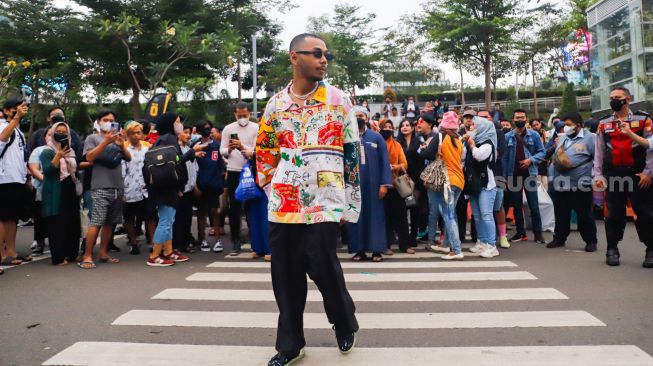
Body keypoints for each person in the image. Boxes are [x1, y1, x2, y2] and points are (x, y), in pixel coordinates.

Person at [256, 33, 360, 366]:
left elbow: (352, 155)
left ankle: (343, 322)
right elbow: (265, 152)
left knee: (323, 267)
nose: (323, 59)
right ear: (294, 57)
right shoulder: (275, 105)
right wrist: (272, 187)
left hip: (325, 201)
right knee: (284, 276)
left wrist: (349, 203)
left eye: (325, 53)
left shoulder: (338, 100)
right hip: (284, 205)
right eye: (315, 53)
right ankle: (290, 345)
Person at [593, 87, 653, 268]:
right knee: (613, 214)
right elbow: (599, 151)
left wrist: (648, 173)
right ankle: (612, 249)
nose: (613, 101)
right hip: (614, 175)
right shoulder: (604, 123)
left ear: (628, 99)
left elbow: (651, 149)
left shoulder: (643, 119)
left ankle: (651, 249)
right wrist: (598, 174)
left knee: (646, 213)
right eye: (611, 98)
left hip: (638, 175)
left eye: (617, 97)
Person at [145, 113, 203, 267]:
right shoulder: (169, 140)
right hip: (166, 188)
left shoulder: (161, 139)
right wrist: (191, 152)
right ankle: (154, 255)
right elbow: (173, 162)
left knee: (168, 220)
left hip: (165, 187)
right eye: (177, 122)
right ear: (169, 124)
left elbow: (172, 162)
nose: (180, 125)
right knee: (165, 221)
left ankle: (168, 251)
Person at [547, 112, 597, 252]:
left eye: (569, 125)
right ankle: (559, 238)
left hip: (581, 183)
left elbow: (597, 158)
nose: (566, 128)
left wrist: (597, 177)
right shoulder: (563, 138)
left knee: (584, 214)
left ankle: (590, 241)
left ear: (579, 125)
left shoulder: (590, 138)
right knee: (561, 213)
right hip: (560, 183)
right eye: (565, 125)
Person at [346, 108, 392, 262]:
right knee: (356, 217)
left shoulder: (376, 137)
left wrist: (384, 184)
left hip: (374, 185)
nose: (359, 118)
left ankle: (377, 250)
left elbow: (385, 162)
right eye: (356, 115)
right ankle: (359, 250)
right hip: (353, 184)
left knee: (376, 217)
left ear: (366, 118)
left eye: (361, 115)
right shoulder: (347, 137)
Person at [419, 111, 464, 260]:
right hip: (459, 180)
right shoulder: (458, 140)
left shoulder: (440, 137)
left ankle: (456, 250)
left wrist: (424, 147)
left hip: (447, 181)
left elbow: (426, 155)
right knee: (451, 214)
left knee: (448, 215)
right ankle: (446, 244)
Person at [40, 122, 81, 265]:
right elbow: (48, 172)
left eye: (65, 132)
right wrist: (58, 156)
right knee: (58, 223)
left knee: (72, 222)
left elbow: (75, 170)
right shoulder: (47, 151)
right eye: (58, 131)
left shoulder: (71, 151)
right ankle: (58, 256)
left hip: (70, 187)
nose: (62, 134)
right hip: (55, 190)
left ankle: (72, 254)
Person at [220, 102, 259, 255]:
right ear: (235, 114)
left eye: (245, 115)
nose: (242, 118)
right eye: (239, 115)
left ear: (249, 114)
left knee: (252, 205)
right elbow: (221, 150)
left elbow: (256, 150)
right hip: (234, 170)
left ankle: (254, 237)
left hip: (251, 170)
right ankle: (236, 240)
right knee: (234, 207)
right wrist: (229, 149)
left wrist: (242, 146)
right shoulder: (229, 129)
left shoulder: (256, 128)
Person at [502, 109, 546, 244]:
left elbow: (542, 152)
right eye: (517, 117)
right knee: (516, 206)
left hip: (530, 175)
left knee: (534, 206)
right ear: (513, 120)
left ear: (526, 119)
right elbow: (504, 158)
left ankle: (538, 234)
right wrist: (504, 176)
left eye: (522, 117)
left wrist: (531, 160)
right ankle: (521, 232)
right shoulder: (508, 136)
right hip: (513, 176)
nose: (519, 119)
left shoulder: (534, 135)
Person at [0, 100, 31, 266]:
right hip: (3, 179)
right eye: (14, 109)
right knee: (3, 218)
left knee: (12, 218)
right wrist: (16, 118)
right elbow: (2, 139)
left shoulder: (17, 129)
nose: (19, 110)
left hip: (16, 178)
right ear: (5, 110)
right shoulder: (3, 124)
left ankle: (12, 251)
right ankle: (2, 254)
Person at [464, 117, 500, 258]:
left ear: (483, 127)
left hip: (487, 185)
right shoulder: (473, 141)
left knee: (486, 215)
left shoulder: (488, 143)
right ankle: (482, 242)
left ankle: (492, 245)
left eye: (475, 125)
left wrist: (472, 145)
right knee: (477, 216)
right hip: (474, 184)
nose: (472, 127)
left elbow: (479, 156)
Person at [381, 120, 415, 256]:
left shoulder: (397, 145)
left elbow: (405, 164)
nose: (388, 129)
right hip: (382, 185)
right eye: (385, 127)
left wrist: (395, 167)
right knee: (386, 217)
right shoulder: (377, 144)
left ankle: (404, 245)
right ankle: (386, 245)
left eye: (390, 127)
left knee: (401, 216)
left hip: (396, 186)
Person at [121, 121, 155, 255]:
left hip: (146, 188)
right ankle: (133, 242)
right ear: (127, 135)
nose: (136, 135)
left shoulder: (148, 148)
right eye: (132, 133)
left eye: (138, 132)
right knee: (129, 218)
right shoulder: (124, 149)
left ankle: (153, 242)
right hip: (129, 188)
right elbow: (122, 171)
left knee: (151, 216)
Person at [478, 109, 509, 249]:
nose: (482, 120)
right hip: (479, 176)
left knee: (498, 207)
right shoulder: (474, 134)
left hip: (497, 175)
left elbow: (499, 153)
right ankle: (482, 238)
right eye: (479, 118)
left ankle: (502, 235)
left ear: (491, 119)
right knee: (480, 210)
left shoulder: (499, 134)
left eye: (485, 117)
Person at [195, 120, 226, 253]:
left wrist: (221, 183)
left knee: (215, 211)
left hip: (214, 184)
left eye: (209, 128)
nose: (208, 131)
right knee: (201, 213)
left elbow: (221, 167)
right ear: (200, 131)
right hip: (201, 185)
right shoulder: (195, 146)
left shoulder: (216, 146)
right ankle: (202, 239)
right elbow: (191, 167)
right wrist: (195, 185)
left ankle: (218, 240)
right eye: (205, 129)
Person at [397, 119, 428, 245]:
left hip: (417, 179)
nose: (405, 127)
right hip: (402, 180)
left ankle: (413, 236)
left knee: (415, 209)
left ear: (412, 128)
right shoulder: (397, 142)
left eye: (407, 125)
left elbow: (423, 156)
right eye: (402, 126)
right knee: (402, 210)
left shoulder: (419, 141)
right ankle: (403, 237)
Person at [173, 125, 199, 253]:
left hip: (189, 188)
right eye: (185, 132)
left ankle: (185, 243)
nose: (188, 135)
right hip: (180, 189)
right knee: (178, 219)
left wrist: (194, 185)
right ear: (178, 134)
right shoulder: (175, 150)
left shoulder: (188, 148)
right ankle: (176, 245)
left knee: (187, 218)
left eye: (189, 132)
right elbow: (176, 165)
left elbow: (194, 168)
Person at [27, 125, 51, 256]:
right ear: (44, 137)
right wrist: (48, 181)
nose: (52, 136)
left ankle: (56, 242)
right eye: (49, 134)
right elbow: (34, 169)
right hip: (42, 189)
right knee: (40, 217)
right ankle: (39, 241)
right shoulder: (38, 150)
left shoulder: (67, 150)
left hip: (62, 190)